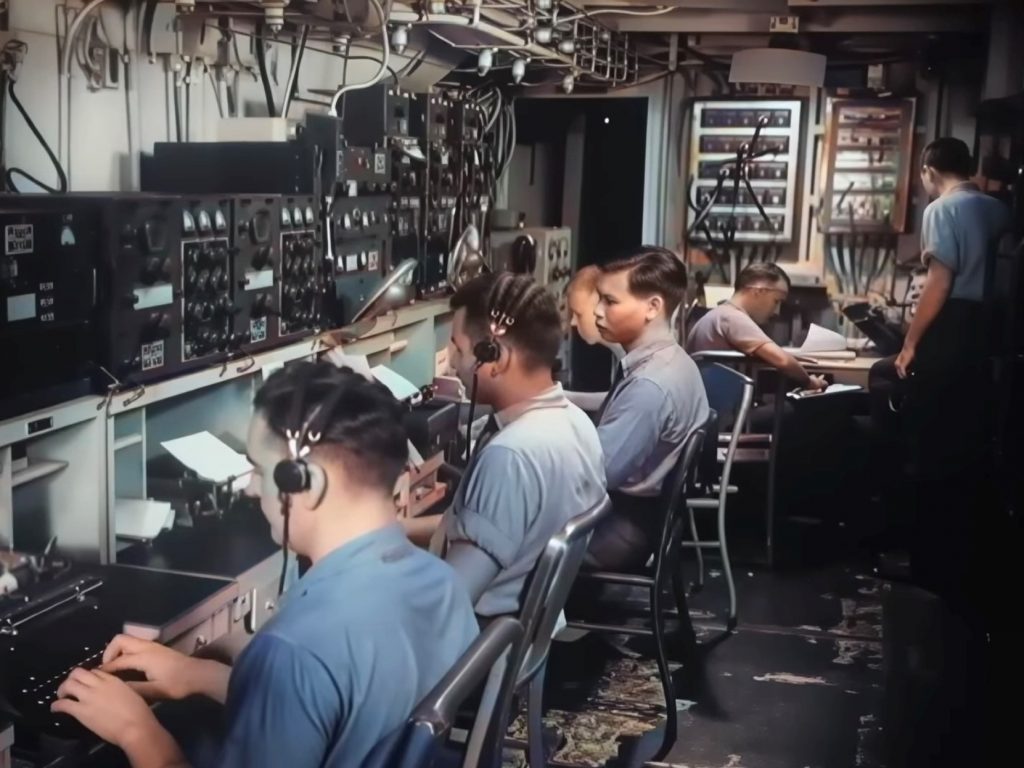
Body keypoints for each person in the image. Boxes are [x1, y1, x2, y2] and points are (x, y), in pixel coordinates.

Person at [52, 363, 479, 768]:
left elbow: (306, 676)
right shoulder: (443, 583)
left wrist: (137, 732)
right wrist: (201, 675)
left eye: (260, 470)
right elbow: (343, 703)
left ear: (304, 485)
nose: (254, 490)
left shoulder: (292, 649)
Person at [414, 271, 607, 621]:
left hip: (472, 651)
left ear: (495, 356)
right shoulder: (578, 424)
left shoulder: (510, 457)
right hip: (522, 649)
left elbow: (448, 601)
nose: (453, 364)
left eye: (457, 348)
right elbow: (486, 530)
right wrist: (392, 530)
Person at [890, 137, 1011, 610]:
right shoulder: (997, 209)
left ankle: (929, 565)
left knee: (930, 444)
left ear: (928, 169)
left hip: (952, 326)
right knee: (969, 447)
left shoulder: (942, 209)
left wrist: (911, 342)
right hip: (989, 330)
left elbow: (941, 280)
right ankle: (964, 566)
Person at [586, 246, 710, 570]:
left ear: (653, 306)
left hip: (620, 529)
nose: (597, 311)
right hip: (641, 522)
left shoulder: (650, 386)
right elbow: (621, 406)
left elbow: (596, 474)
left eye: (610, 301)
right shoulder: (671, 361)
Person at [687, 262, 826, 391]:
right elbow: (783, 360)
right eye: (776, 301)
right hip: (725, 412)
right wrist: (811, 382)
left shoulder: (717, 315)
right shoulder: (732, 317)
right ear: (758, 290)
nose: (776, 311)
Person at [564, 265, 624, 412]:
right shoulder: (619, 351)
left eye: (578, 314)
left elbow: (620, 402)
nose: (572, 322)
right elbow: (615, 398)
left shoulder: (634, 355)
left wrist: (563, 397)